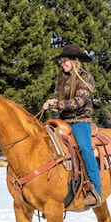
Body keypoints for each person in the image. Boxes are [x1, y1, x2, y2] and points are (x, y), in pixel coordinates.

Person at [43, 44, 101, 207]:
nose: (62, 63)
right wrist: (53, 103)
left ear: (75, 61)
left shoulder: (85, 77)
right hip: (63, 120)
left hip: (80, 120)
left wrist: (59, 104)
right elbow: (58, 98)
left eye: (64, 60)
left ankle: (95, 190)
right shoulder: (62, 78)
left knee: (84, 148)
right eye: (61, 61)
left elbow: (78, 102)